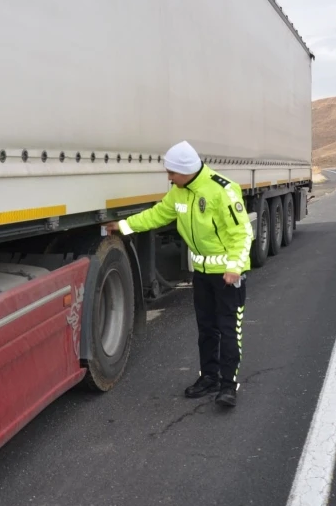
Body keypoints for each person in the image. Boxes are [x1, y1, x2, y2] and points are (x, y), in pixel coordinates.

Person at [105, 141, 253, 407]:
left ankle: (228, 386)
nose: (169, 178)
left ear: (186, 170)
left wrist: (235, 267)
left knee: (229, 329)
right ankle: (209, 377)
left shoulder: (223, 190)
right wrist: (125, 226)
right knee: (206, 329)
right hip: (202, 275)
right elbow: (157, 215)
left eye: (172, 173)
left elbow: (241, 233)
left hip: (227, 277)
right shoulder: (179, 193)